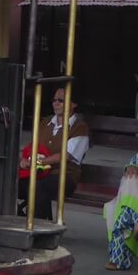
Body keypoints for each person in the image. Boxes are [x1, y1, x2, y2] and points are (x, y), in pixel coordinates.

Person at [18, 88, 90, 221]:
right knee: (11, 182)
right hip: (39, 172)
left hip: (64, 176)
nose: (56, 103)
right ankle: (18, 220)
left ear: (73, 104)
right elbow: (31, 147)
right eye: (54, 100)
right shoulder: (46, 122)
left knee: (38, 187)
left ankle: (39, 227)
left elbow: (64, 156)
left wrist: (37, 162)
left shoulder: (80, 127)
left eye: (61, 100)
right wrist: (23, 159)